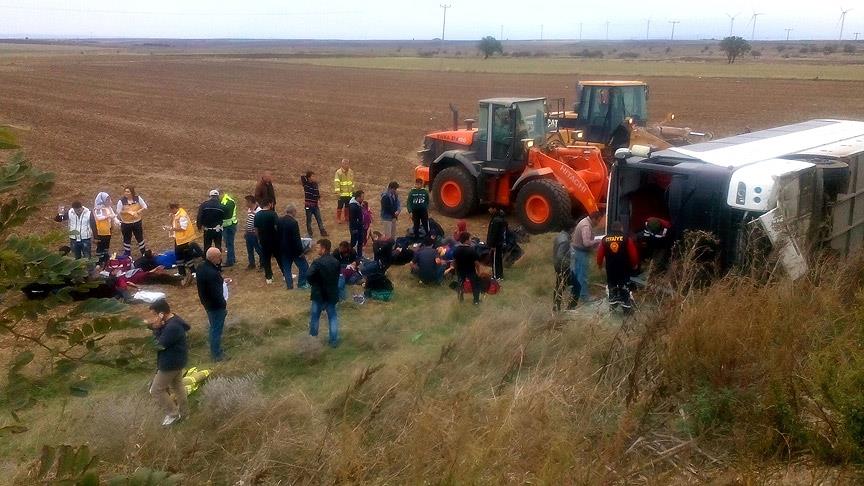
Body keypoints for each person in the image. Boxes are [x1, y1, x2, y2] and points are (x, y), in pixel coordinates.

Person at [147, 299, 190, 427]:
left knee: (156, 390)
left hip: (170, 363)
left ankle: (172, 414)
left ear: (161, 313)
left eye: (155, 314)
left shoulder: (172, 327)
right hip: (177, 360)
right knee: (178, 387)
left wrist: (156, 328)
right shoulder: (173, 320)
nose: (153, 318)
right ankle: (185, 413)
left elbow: (159, 345)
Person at [196, 248, 230, 361]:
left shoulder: (201, 268)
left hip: (207, 304)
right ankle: (217, 355)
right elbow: (216, 293)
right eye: (219, 256)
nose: (221, 258)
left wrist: (222, 281)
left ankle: (215, 351)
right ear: (213, 258)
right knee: (216, 330)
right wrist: (223, 305)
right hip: (216, 306)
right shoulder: (212, 273)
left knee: (213, 328)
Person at [597, 221, 640, 311]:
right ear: (621, 228)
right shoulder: (626, 239)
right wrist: (634, 265)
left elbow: (600, 254)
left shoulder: (605, 239)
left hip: (610, 268)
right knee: (624, 285)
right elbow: (633, 254)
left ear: (612, 228)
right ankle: (625, 306)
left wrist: (599, 265)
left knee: (612, 285)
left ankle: (613, 304)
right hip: (624, 268)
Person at [307, 239, 341, 347]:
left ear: (323, 248)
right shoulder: (336, 262)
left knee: (315, 317)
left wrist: (314, 283)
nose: (316, 249)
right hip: (331, 294)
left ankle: (313, 340)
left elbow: (308, 275)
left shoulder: (317, 262)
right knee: (332, 317)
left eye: (318, 247)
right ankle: (334, 341)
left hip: (318, 294)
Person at [571, 211, 603, 303]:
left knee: (576, 274)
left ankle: (575, 294)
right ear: (594, 219)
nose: (598, 223)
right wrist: (597, 241)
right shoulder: (586, 226)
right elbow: (586, 243)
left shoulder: (584, 221)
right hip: (581, 252)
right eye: (598, 220)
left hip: (576, 251)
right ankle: (584, 297)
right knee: (582, 275)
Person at [277, 204, 310, 289]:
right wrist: (301, 251)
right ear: (293, 211)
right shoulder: (293, 222)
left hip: (283, 249)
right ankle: (301, 284)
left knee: (287, 269)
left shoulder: (279, 220)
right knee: (304, 267)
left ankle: (289, 286)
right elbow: (296, 239)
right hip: (294, 250)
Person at [168, 202, 196, 285]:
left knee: (186, 255)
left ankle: (193, 271)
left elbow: (183, 228)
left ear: (174, 208)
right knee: (179, 255)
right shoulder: (177, 214)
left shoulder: (182, 215)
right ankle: (182, 272)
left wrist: (172, 229)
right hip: (179, 239)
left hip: (183, 239)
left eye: (170, 209)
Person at [254, 199, 280, 284]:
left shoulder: (257, 215)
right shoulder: (273, 214)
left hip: (263, 240)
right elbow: (277, 226)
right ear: (269, 204)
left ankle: (268, 277)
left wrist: (258, 238)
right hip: (274, 240)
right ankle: (285, 274)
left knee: (266, 259)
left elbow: (256, 229)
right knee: (279, 258)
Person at [116, 185, 148, 256]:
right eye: (125, 191)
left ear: (132, 192)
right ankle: (127, 255)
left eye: (128, 192)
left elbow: (145, 207)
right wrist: (128, 212)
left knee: (140, 238)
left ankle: (143, 253)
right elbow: (118, 211)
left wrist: (138, 212)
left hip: (137, 222)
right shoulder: (121, 201)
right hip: (126, 224)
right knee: (127, 239)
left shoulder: (138, 198)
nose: (126, 193)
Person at [553, 220, 577, 312]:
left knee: (559, 286)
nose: (574, 230)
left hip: (557, 265)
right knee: (576, 286)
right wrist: (569, 264)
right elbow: (560, 256)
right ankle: (571, 308)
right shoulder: (565, 240)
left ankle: (556, 307)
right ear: (571, 229)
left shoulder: (559, 236)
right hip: (563, 267)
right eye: (574, 229)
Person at [452, 231, 481, 304]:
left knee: (460, 284)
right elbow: (477, 263)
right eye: (469, 239)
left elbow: (454, 261)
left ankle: (460, 299)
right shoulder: (471, 250)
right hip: (471, 271)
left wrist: (456, 270)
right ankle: (476, 301)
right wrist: (478, 272)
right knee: (475, 285)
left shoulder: (456, 249)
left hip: (460, 271)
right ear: (466, 240)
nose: (470, 241)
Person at [301, 171, 328, 238]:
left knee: (319, 219)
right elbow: (302, 177)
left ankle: (322, 232)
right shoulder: (306, 184)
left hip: (315, 205)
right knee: (309, 220)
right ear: (309, 177)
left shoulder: (315, 184)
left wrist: (320, 201)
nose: (314, 177)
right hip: (308, 206)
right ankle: (310, 233)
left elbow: (317, 193)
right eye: (312, 176)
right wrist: (307, 177)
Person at [93, 192, 117, 265]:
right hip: (100, 231)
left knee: (106, 245)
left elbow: (113, 216)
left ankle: (105, 259)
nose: (109, 201)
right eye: (107, 200)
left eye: (109, 199)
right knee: (100, 246)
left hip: (108, 230)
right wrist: (108, 216)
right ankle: (99, 261)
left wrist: (117, 221)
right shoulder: (97, 209)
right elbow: (99, 218)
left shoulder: (108, 208)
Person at [486, 207, 508, 280]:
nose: (489, 210)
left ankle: (496, 276)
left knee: (495, 261)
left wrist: (492, 245)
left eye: (490, 208)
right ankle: (500, 275)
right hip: (500, 243)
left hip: (496, 244)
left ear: (494, 209)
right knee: (498, 260)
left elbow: (494, 234)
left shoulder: (496, 221)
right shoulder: (501, 219)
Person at [243, 195, 262, 270]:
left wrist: (257, 234)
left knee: (258, 249)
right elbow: (248, 221)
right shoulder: (249, 210)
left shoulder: (259, 211)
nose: (245, 203)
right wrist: (246, 231)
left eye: (246, 202)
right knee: (249, 249)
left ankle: (262, 264)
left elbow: (259, 223)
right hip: (249, 233)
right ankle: (251, 264)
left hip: (255, 234)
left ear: (250, 202)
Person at [333, 158, 355, 224]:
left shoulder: (351, 172)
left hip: (349, 193)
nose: (346, 165)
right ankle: (338, 218)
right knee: (340, 206)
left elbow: (352, 182)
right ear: (342, 164)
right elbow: (337, 182)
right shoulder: (338, 172)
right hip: (341, 194)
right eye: (345, 164)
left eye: (347, 164)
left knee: (347, 206)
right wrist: (337, 192)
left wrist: (353, 191)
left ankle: (347, 217)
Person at [220, 191, 238, 267]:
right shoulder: (227, 200)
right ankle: (232, 258)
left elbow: (228, 214)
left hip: (228, 226)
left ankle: (230, 261)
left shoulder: (227, 202)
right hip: (231, 224)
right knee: (230, 243)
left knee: (228, 243)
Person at [348, 190, 365, 257]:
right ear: (358, 197)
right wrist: (355, 229)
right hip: (356, 228)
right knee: (354, 242)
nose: (363, 198)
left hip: (358, 227)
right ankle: (350, 255)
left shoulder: (357, 203)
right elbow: (352, 219)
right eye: (362, 197)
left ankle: (359, 255)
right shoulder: (353, 207)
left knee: (360, 242)